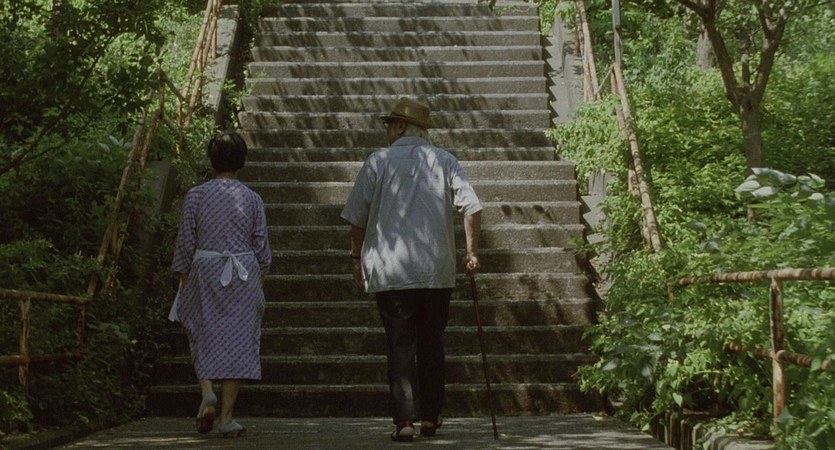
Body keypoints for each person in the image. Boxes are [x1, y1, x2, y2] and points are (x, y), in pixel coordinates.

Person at [340, 97, 483, 442]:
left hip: (392, 272)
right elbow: (473, 207)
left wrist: (356, 258)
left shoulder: (378, 162)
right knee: (432, 342)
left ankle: (404, 422)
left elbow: (357, 217)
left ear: (401, 126)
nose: (387, 130)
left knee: (400, 345)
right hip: (436, 271)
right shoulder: (445, 160)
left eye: (390, 124)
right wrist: (471, 252)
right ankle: (430, 418)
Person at [169, 131, 271, 438]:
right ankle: (226, 418)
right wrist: (259, 274)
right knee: (238, 340)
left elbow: (186, 240)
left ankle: (207, 392)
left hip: (205, 268)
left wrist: (183, 274)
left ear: (212, 161)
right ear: (242, 161)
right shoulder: (252, 198)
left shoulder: (196, 196)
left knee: (200, 329)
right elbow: (261, 247)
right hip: (243, 271)